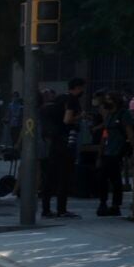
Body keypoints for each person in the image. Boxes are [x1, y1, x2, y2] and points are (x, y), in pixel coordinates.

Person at [38, 81, 82, 217]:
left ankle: (46, 209)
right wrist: (80, 116)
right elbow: (67, 119)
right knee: (64, 176)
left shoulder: (59, 99)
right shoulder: (72, 100)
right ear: (78, 88)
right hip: (66, 142)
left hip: (55, 142)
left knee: (51, 176)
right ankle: (61, 209)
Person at [92, 89, 128, 216]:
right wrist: (100, 152)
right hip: (107, 150)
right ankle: (104, 203)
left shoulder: (122, 114)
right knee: (103, 178)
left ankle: (115, 205)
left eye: (109, 99)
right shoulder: (109, 115)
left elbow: (129, 132)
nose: (106, 101)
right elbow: (105, 134)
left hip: (117, 150)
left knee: (115, 178)